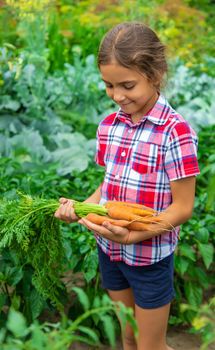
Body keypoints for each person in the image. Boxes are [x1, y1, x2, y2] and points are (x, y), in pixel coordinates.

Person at [54, 22, 200, 350]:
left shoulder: (175, 133)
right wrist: (80, 207)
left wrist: (135, 235)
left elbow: (183, 207)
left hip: (150, 258)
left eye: (128, 85)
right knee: (129, 338)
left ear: (156, 73)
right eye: (108, 85)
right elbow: (107, 188)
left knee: (151, 345)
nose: (118, 96)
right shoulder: (108, 126)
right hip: (110, 251)